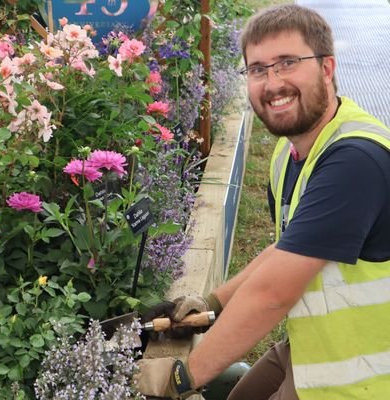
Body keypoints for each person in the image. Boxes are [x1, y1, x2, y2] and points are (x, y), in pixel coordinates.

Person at [136, 4, 390, 399]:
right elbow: (287, 249)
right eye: (258, 69)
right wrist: (209, 303)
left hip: (362, 375)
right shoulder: (289, 153)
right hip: (313, 346)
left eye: (288, 63)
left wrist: (182, 377)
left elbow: (273, 296)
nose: (272, 83)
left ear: (327, 68)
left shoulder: (354, 161)